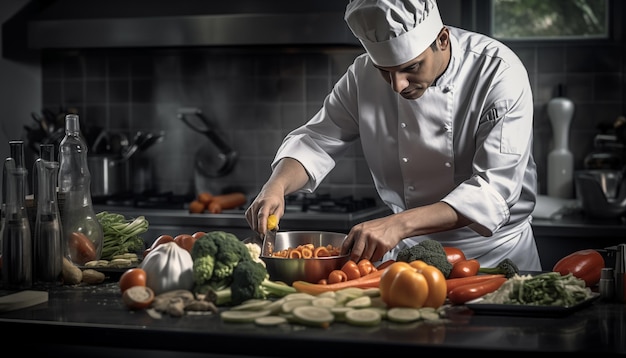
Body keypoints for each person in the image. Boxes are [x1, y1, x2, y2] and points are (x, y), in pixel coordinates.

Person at [245, 0, 542, 271]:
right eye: (384, 71)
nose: (397, 86)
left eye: (411, 68)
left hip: (495, 256)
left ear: (442, 39)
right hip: (407, 260)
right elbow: (316, 140)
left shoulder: (498, 72)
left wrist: (398, 224)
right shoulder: (362, 75)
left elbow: (493, 192)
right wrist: (277, 185)